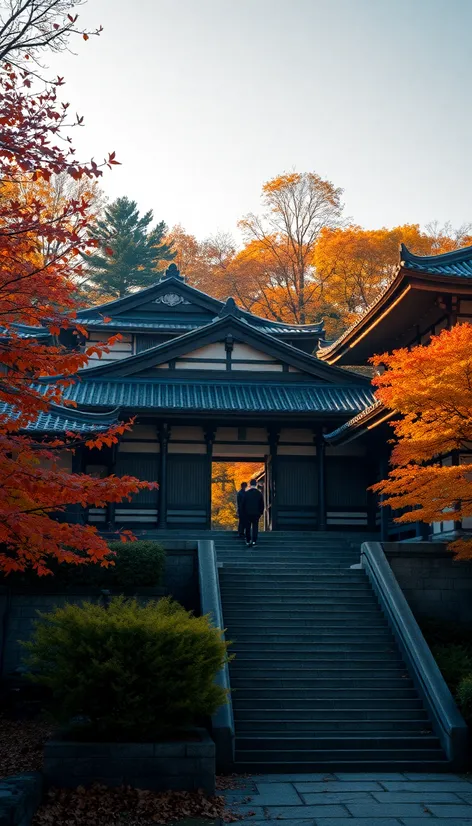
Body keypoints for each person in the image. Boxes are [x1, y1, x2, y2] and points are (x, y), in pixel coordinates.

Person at [241, 478, 264, 547]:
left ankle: (248, 540)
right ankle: (254, 540)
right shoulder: (259, 494)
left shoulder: (246, 494)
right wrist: (261, 512)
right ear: (256, 484)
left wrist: (243, 512)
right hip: (256, 513)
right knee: (255, 527)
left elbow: (243, 504)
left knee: (248, 527)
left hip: (247, 513)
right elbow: (262, 504)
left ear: (250, 485)